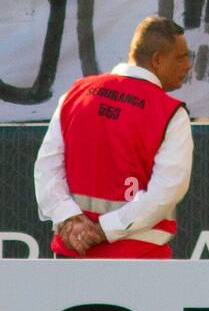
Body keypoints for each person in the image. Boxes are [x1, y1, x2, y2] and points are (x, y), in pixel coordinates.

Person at [33, 15, 193, 259]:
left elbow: (47, 167)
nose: (188, 66)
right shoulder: (170, 113)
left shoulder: (76, 93)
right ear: (158, 60)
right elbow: (167, 191)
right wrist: (103, 230)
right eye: (181, 57)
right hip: (141, 256)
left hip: (71, 252)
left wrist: (68, 219)